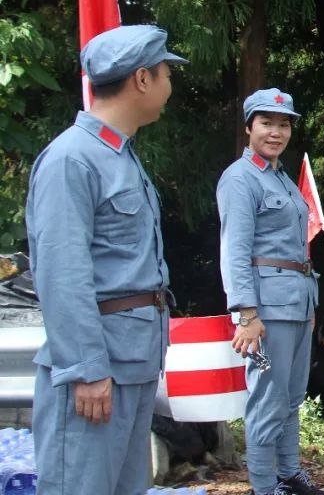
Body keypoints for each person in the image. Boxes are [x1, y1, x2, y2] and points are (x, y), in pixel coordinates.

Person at [27, 25, 186, 495]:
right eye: (165, 74)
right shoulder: (71, 160)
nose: (169, 86)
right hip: (97, 370)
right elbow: (62, 273)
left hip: (132, 362)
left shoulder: (119, 156)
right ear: (142, 79)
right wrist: (87, 368)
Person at [217, 88, 324, 495]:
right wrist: (246, 313)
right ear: (249, 128)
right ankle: (264, 486)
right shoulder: (240, 178)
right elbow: (235, 251)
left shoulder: (281, 176)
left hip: (298, 303)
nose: (276, 132)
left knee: (292, 396)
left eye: (283, 124)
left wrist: (310, 306)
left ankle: (289, 472)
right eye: (266, 123)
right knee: (267, 400)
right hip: (266, 308)